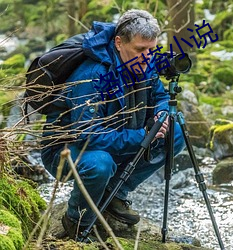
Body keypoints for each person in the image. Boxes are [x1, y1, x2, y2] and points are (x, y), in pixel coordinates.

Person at [41, 9, 185, 241]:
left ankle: (115, 193)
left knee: (175, 132)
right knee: (100, 164)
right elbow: (87, 136)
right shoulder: (92, 76)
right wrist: (142, 135)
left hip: (117, 136)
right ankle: (76, 221)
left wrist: (161, 114)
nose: (148, 57)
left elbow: (159, 96)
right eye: (140, 49)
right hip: (67, 150)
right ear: (119, 42)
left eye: (152, 49)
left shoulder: (143, 61)